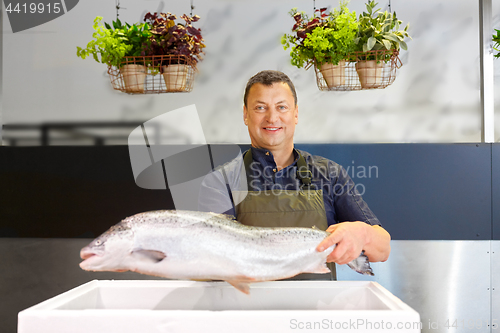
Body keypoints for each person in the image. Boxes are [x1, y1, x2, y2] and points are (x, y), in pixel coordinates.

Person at [199, 70, 390, 278]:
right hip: (249, 306)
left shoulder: (329, 174)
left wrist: (362, 234)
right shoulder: (220, 181)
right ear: (246, 114)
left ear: (295, 114)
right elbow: (214, 257)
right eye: (260, 107)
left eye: (282, 107)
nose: (272, 117)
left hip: (317, 308)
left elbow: (382, 249)